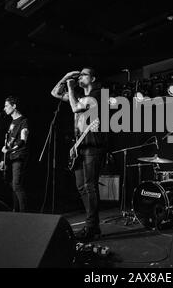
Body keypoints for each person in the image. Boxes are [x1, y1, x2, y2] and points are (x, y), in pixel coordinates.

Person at [51, 67, 107, 241]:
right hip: (79, 145)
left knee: (90, 186)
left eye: (84, 74)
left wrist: (70, 86)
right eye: (79, 74)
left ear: (93, 78)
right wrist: (66, 76)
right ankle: (93, 225)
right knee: (81, 186)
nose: (80, 76)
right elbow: (54, 93)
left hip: (93, 145)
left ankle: (92, 227)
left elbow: (75, 108)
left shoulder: (98, 94)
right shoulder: (79, 96)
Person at [0, 96, 29, 212]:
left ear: (14, 106)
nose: (4, 108)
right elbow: (9, 143)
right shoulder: (12, 123)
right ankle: (15, 211)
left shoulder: (23, 121)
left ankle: (23, 213)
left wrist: (9, 151)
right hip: (11, 157)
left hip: (19, 156)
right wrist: (3, 159)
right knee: (12, 186)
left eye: (6, 105)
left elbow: (22, 141)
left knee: (17, 185)